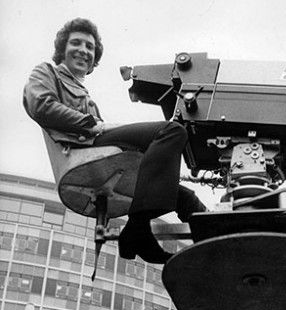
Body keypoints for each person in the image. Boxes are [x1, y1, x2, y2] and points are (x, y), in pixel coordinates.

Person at [23, 18, 206, 264]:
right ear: (62, 50)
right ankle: (138, 229)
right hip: (83, 145)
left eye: (89, 47)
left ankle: (213, 243)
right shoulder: (46, 72)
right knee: (172, 132)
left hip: (93, 143)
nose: (83, 51)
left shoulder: (83, 92)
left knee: (184, 196)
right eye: (76, 43)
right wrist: (92, 124)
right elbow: (40, 105)